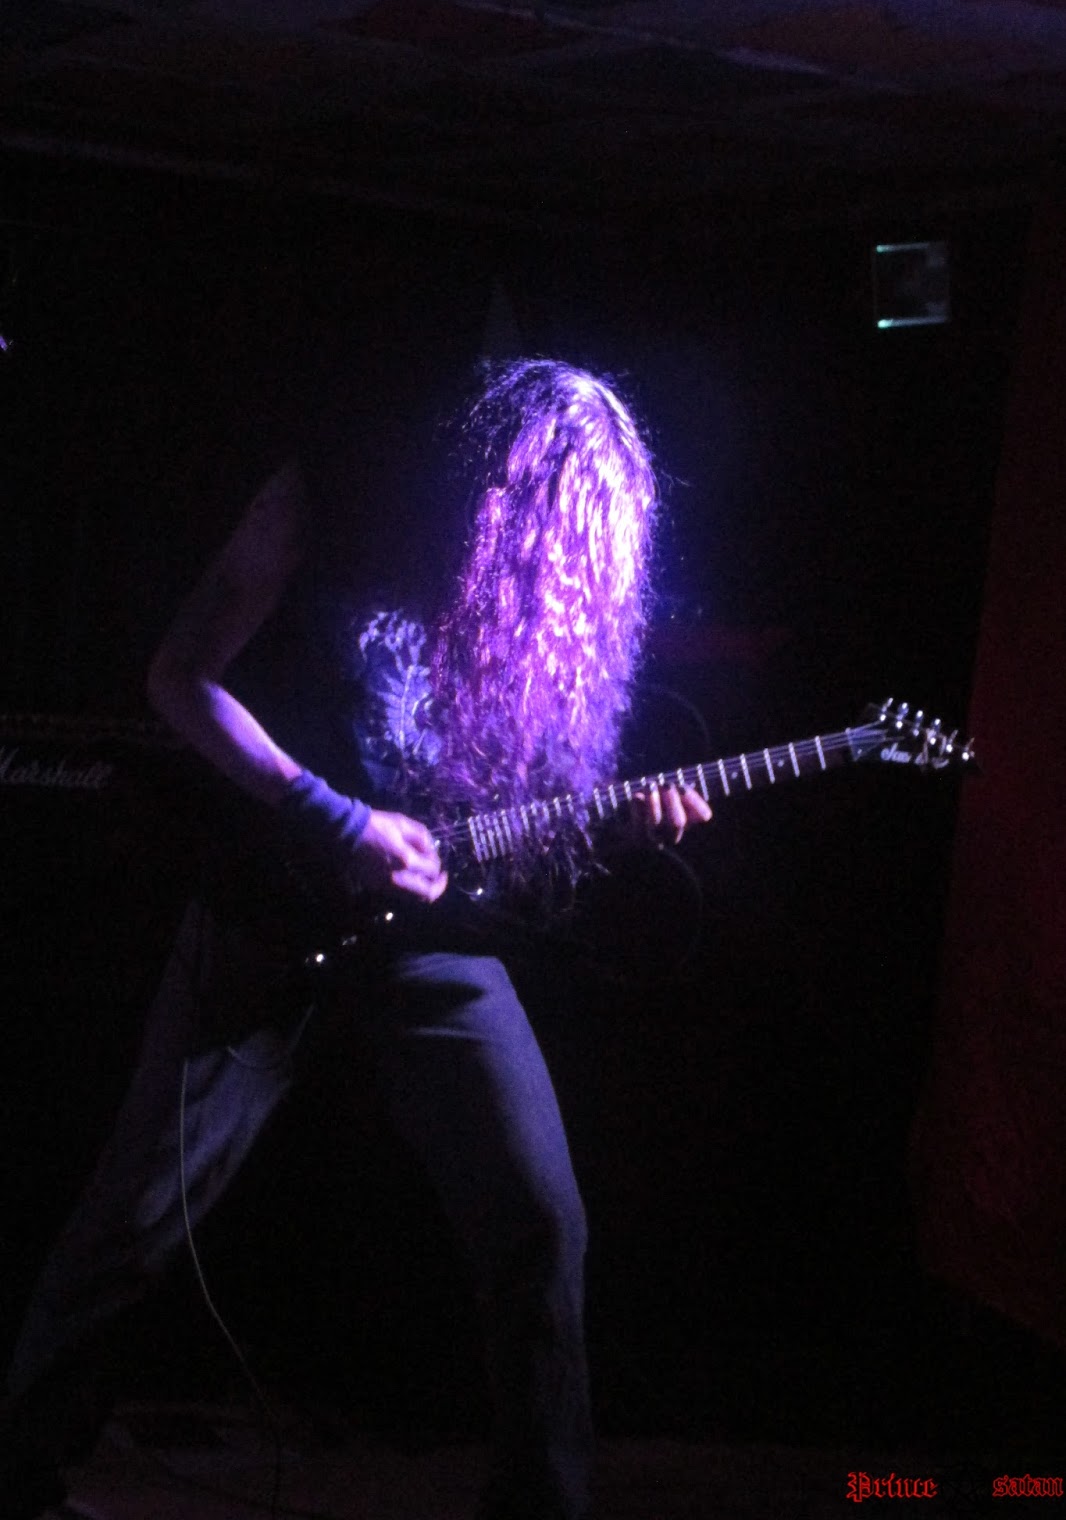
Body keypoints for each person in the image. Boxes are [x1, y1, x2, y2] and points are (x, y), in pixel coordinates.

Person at [2, 358, 711, 1520]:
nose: (543, 548)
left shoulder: (543, 613)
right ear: (480, 471)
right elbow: (178, 681)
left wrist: (617, 828)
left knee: (539, 1217)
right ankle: (11, 1468)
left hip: (431, 947)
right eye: (530, 507)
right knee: (135, 1216)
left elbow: (501, 824)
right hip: (264, 920)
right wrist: (335, 819)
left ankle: (543, 1504)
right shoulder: (320, 500)